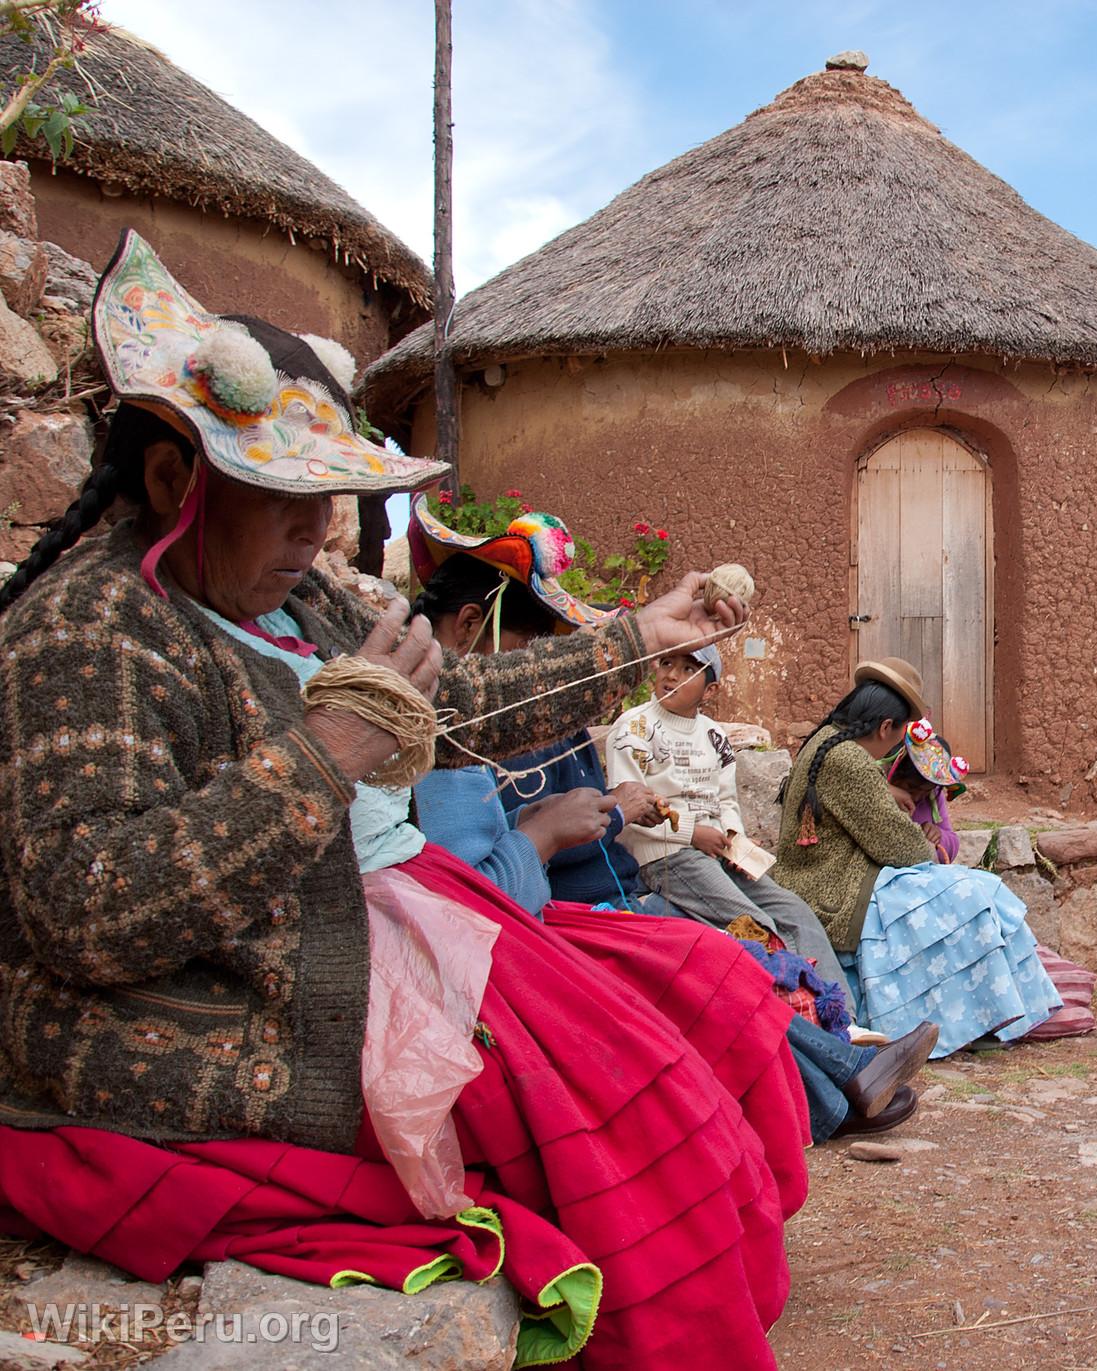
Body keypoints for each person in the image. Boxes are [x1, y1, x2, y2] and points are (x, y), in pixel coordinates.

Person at [0, 233, 786, 1368]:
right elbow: (85, 910)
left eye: (328, 502)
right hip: (268, 986)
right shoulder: (88, 633)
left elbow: (452, 693)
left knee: (704, 997)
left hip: (395, 925)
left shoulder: (287, 600)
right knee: (621, 1099)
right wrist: (324, 754)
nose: (318, 534)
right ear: (176, 483)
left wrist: (632, 642)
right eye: (285, 502)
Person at [405, 517, 935, 1142]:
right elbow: (472, 900)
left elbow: (721, 801)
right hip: (617, 884)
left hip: (657, 873)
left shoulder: (701, 738)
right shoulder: (454, 752)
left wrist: (728, 838)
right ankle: (834, 1087)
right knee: (723, 952)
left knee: (761, 929)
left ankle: (845, 1051)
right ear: (470, 629)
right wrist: (570, 827)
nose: (541, 678)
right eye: (534, 656)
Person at [774, 658, 1062, 1056]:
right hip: (836, 891)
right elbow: (903, 849)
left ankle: (984, 1016)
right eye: (895, 740)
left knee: (973, 890)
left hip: (825, 876)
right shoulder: (849, 760)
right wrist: (922, 839)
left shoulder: (825, 741)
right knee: (976, 893)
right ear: (885, 727)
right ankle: (981, 1016)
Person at [605, 643, 852, 999]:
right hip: (664, 856)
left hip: (715, 851)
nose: (672, 675)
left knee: (794, 911)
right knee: (757, 926)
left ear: (711, 689)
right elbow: (629, 809)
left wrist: (732, 839)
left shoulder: (714, 736)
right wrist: (693, 834)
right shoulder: (635, 727)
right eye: (667, 663)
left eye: (689, 669)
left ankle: (846, 1017)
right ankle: (814, 1021)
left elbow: (725, 800)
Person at [885, 718, 970, 863]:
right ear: (894, 771)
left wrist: (940, 836)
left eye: (925, 791)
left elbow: (953, 843)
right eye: (911, 787)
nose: (917, 796)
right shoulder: (875, 788)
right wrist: (886, 791)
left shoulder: (932, 797)